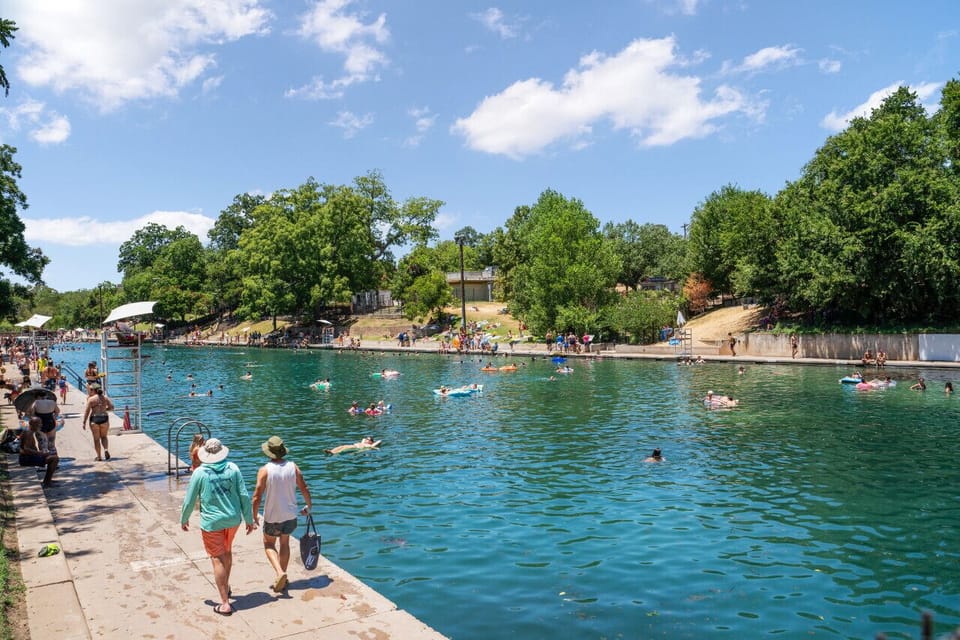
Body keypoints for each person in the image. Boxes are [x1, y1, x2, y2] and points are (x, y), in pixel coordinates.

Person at [180, 438, 256, 616]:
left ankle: (224, 603)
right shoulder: (233, 468)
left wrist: (184, 518)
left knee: (217, 558)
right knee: (227, 552)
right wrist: (249, 519)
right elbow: (244, 495)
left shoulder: (200, 472)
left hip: (212, 523)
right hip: (233, 520)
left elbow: (190, 499)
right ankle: (226, 586)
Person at [251, 436, 312, 593]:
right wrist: (309, 506)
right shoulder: (293, 467)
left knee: (268, 544)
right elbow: (304, 488)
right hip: (290, 514)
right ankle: (282, 580)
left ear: (269, 453)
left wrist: (254, 514)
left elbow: (257, 495)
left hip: (273, 516)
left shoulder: (264, 470)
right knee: (284, 543)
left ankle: (280, 573)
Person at [19, 416, 59, 487]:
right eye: (37, 424)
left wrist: (42, 453)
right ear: (31, 424)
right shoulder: (28, 433)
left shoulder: (30, 432)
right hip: (26, 459)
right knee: (55, 459)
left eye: (40, 423)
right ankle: (47, 482)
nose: (40, 425)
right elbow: (25, 449)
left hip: (29, 456)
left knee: (51, 455)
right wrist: (39, 453)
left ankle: (48, 480)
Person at [82, 383, 115, 461]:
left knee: (96, 439)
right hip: (104, 418)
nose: (89, 391)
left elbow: (87, 411)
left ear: (94, 390)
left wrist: (84, 422)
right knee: (104, 436)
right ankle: (106, 450)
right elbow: (112, 407)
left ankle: (99, 457)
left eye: (91, 390)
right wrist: (105, 410)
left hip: (94, 419)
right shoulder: (105, 398)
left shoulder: (91, 399)